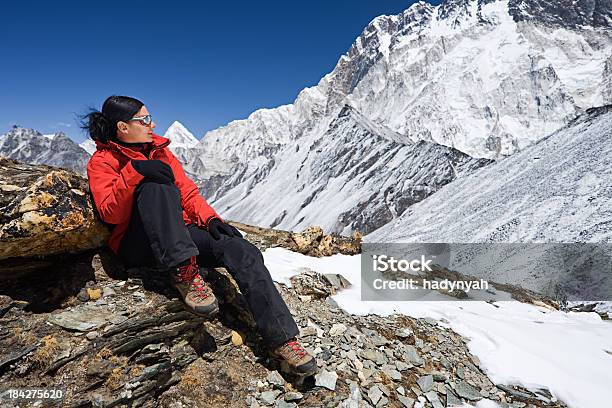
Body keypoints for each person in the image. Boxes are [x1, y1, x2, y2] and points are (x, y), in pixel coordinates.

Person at [81, 95, 316, 376]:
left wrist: (211, 220)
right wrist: (133, 173)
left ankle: (283, 339)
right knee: (156, 186)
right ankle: (184, 273)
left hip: (177, 233)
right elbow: (110, 214)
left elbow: (188, 192)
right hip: (138, 243)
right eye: (144, 120)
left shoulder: (160, 152)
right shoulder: (102, 162)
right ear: (123, 127)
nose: (152, 124)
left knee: (240, 249)